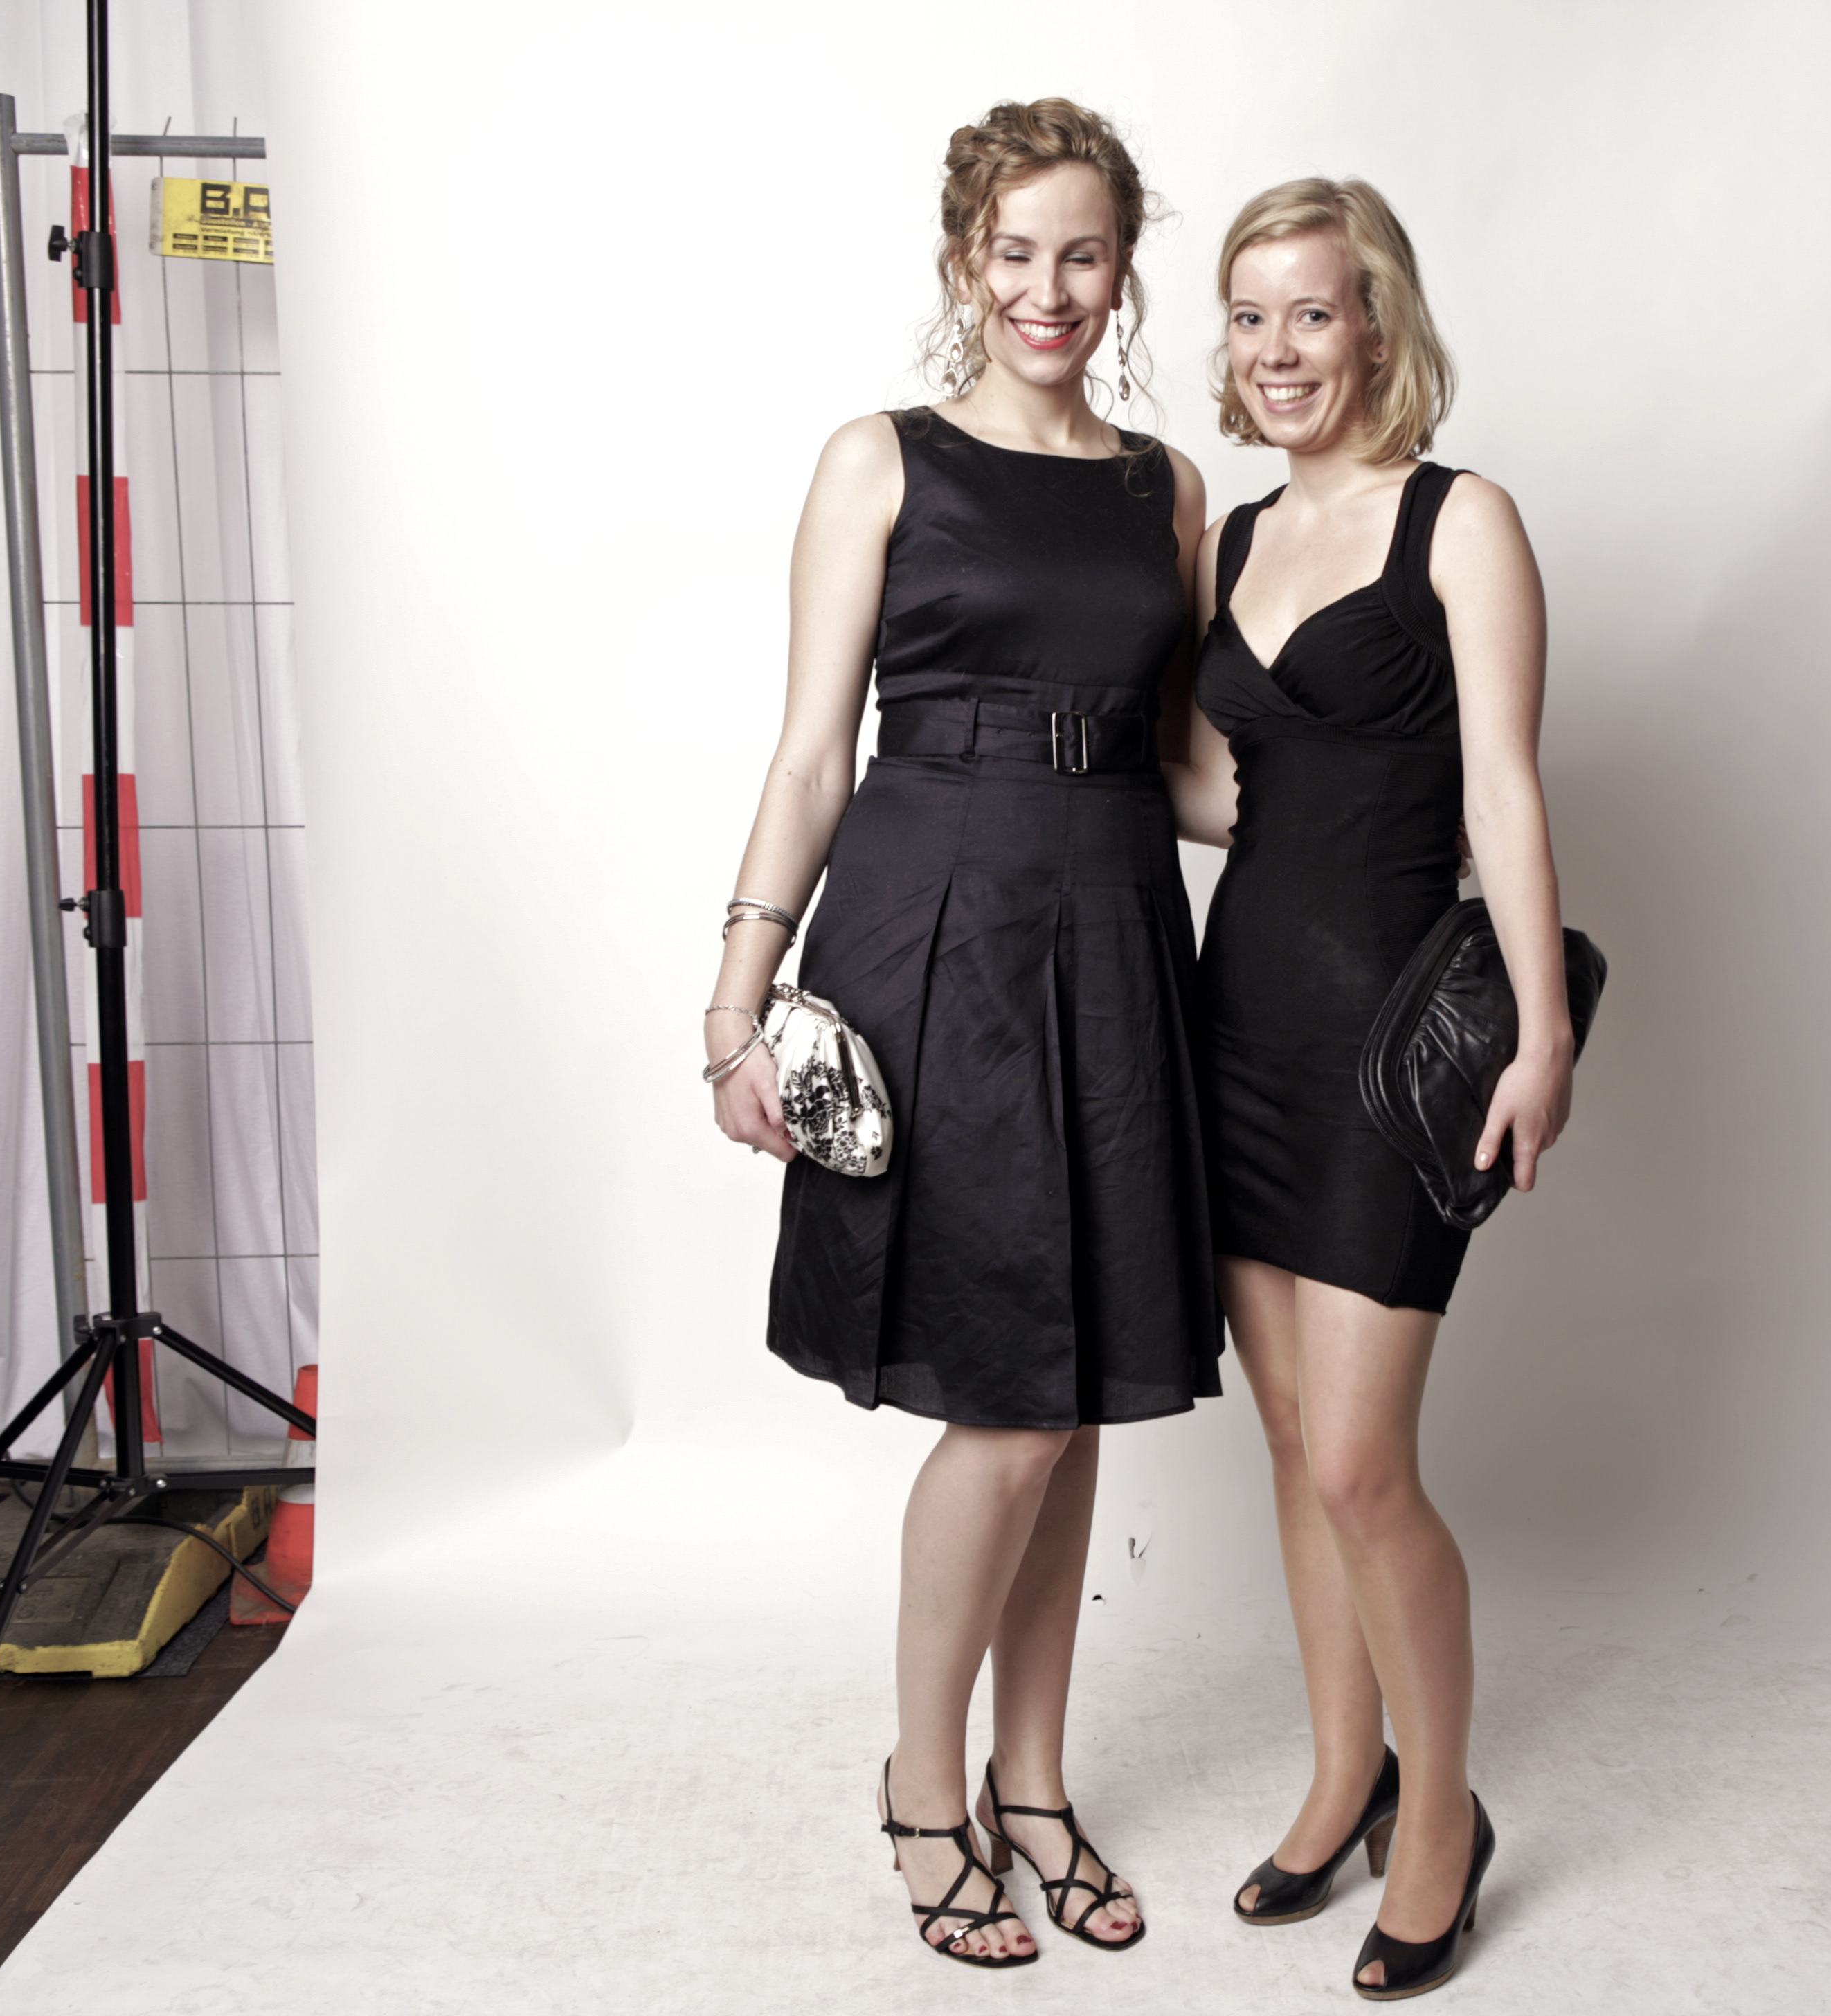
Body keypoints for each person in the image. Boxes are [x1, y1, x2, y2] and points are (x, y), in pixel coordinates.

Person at [704, 98, 1216, 1969]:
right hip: (936, 940)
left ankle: (1036, 1783)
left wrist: (1400, 809)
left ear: (1125, 267)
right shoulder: (883, 461)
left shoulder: (1166, 489)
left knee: (1071, 1405)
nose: (1049, 289)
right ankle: (926, 1788)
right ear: (963, 263)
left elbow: (1189, 769)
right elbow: (810, 754)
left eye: (1083, 253)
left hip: (1116, 934)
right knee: (1009, 1407)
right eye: (1016, 254)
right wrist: (738, 996)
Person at [1166, 178, 1574, 2001]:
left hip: (1396, 1043)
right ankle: (1345, 1775)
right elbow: (1221, 788)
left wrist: (1545, 1029)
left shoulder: (1462, 520)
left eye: (1310, 313)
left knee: (1358, 1458)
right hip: (1236, 1020)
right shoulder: (1233, 535)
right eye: (1249, 316)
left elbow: (1503, 786)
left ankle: (1441, 1817)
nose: (1275, 351)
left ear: (1379, 324)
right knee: (1286, 1445)